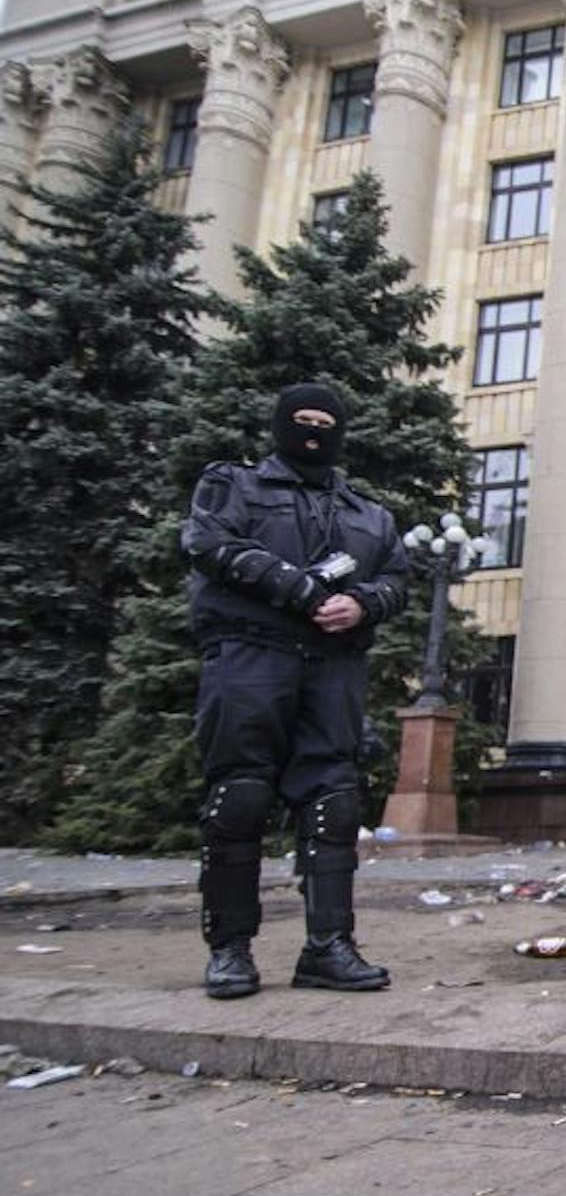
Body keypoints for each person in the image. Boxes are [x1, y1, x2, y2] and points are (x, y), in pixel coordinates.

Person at [184, 382, 407, 999]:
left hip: (333, 664)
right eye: (303, 420)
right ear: (282, 424)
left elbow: (396, 577)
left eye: (325, 423)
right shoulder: (235, 485)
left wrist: (363, 604)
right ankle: (230, 949)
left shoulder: (368, 513)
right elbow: (209, 543)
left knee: (335, 800)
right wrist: (297, 588)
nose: (313, 432)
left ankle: (328, 947)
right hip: (250, 653)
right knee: (240, 795)